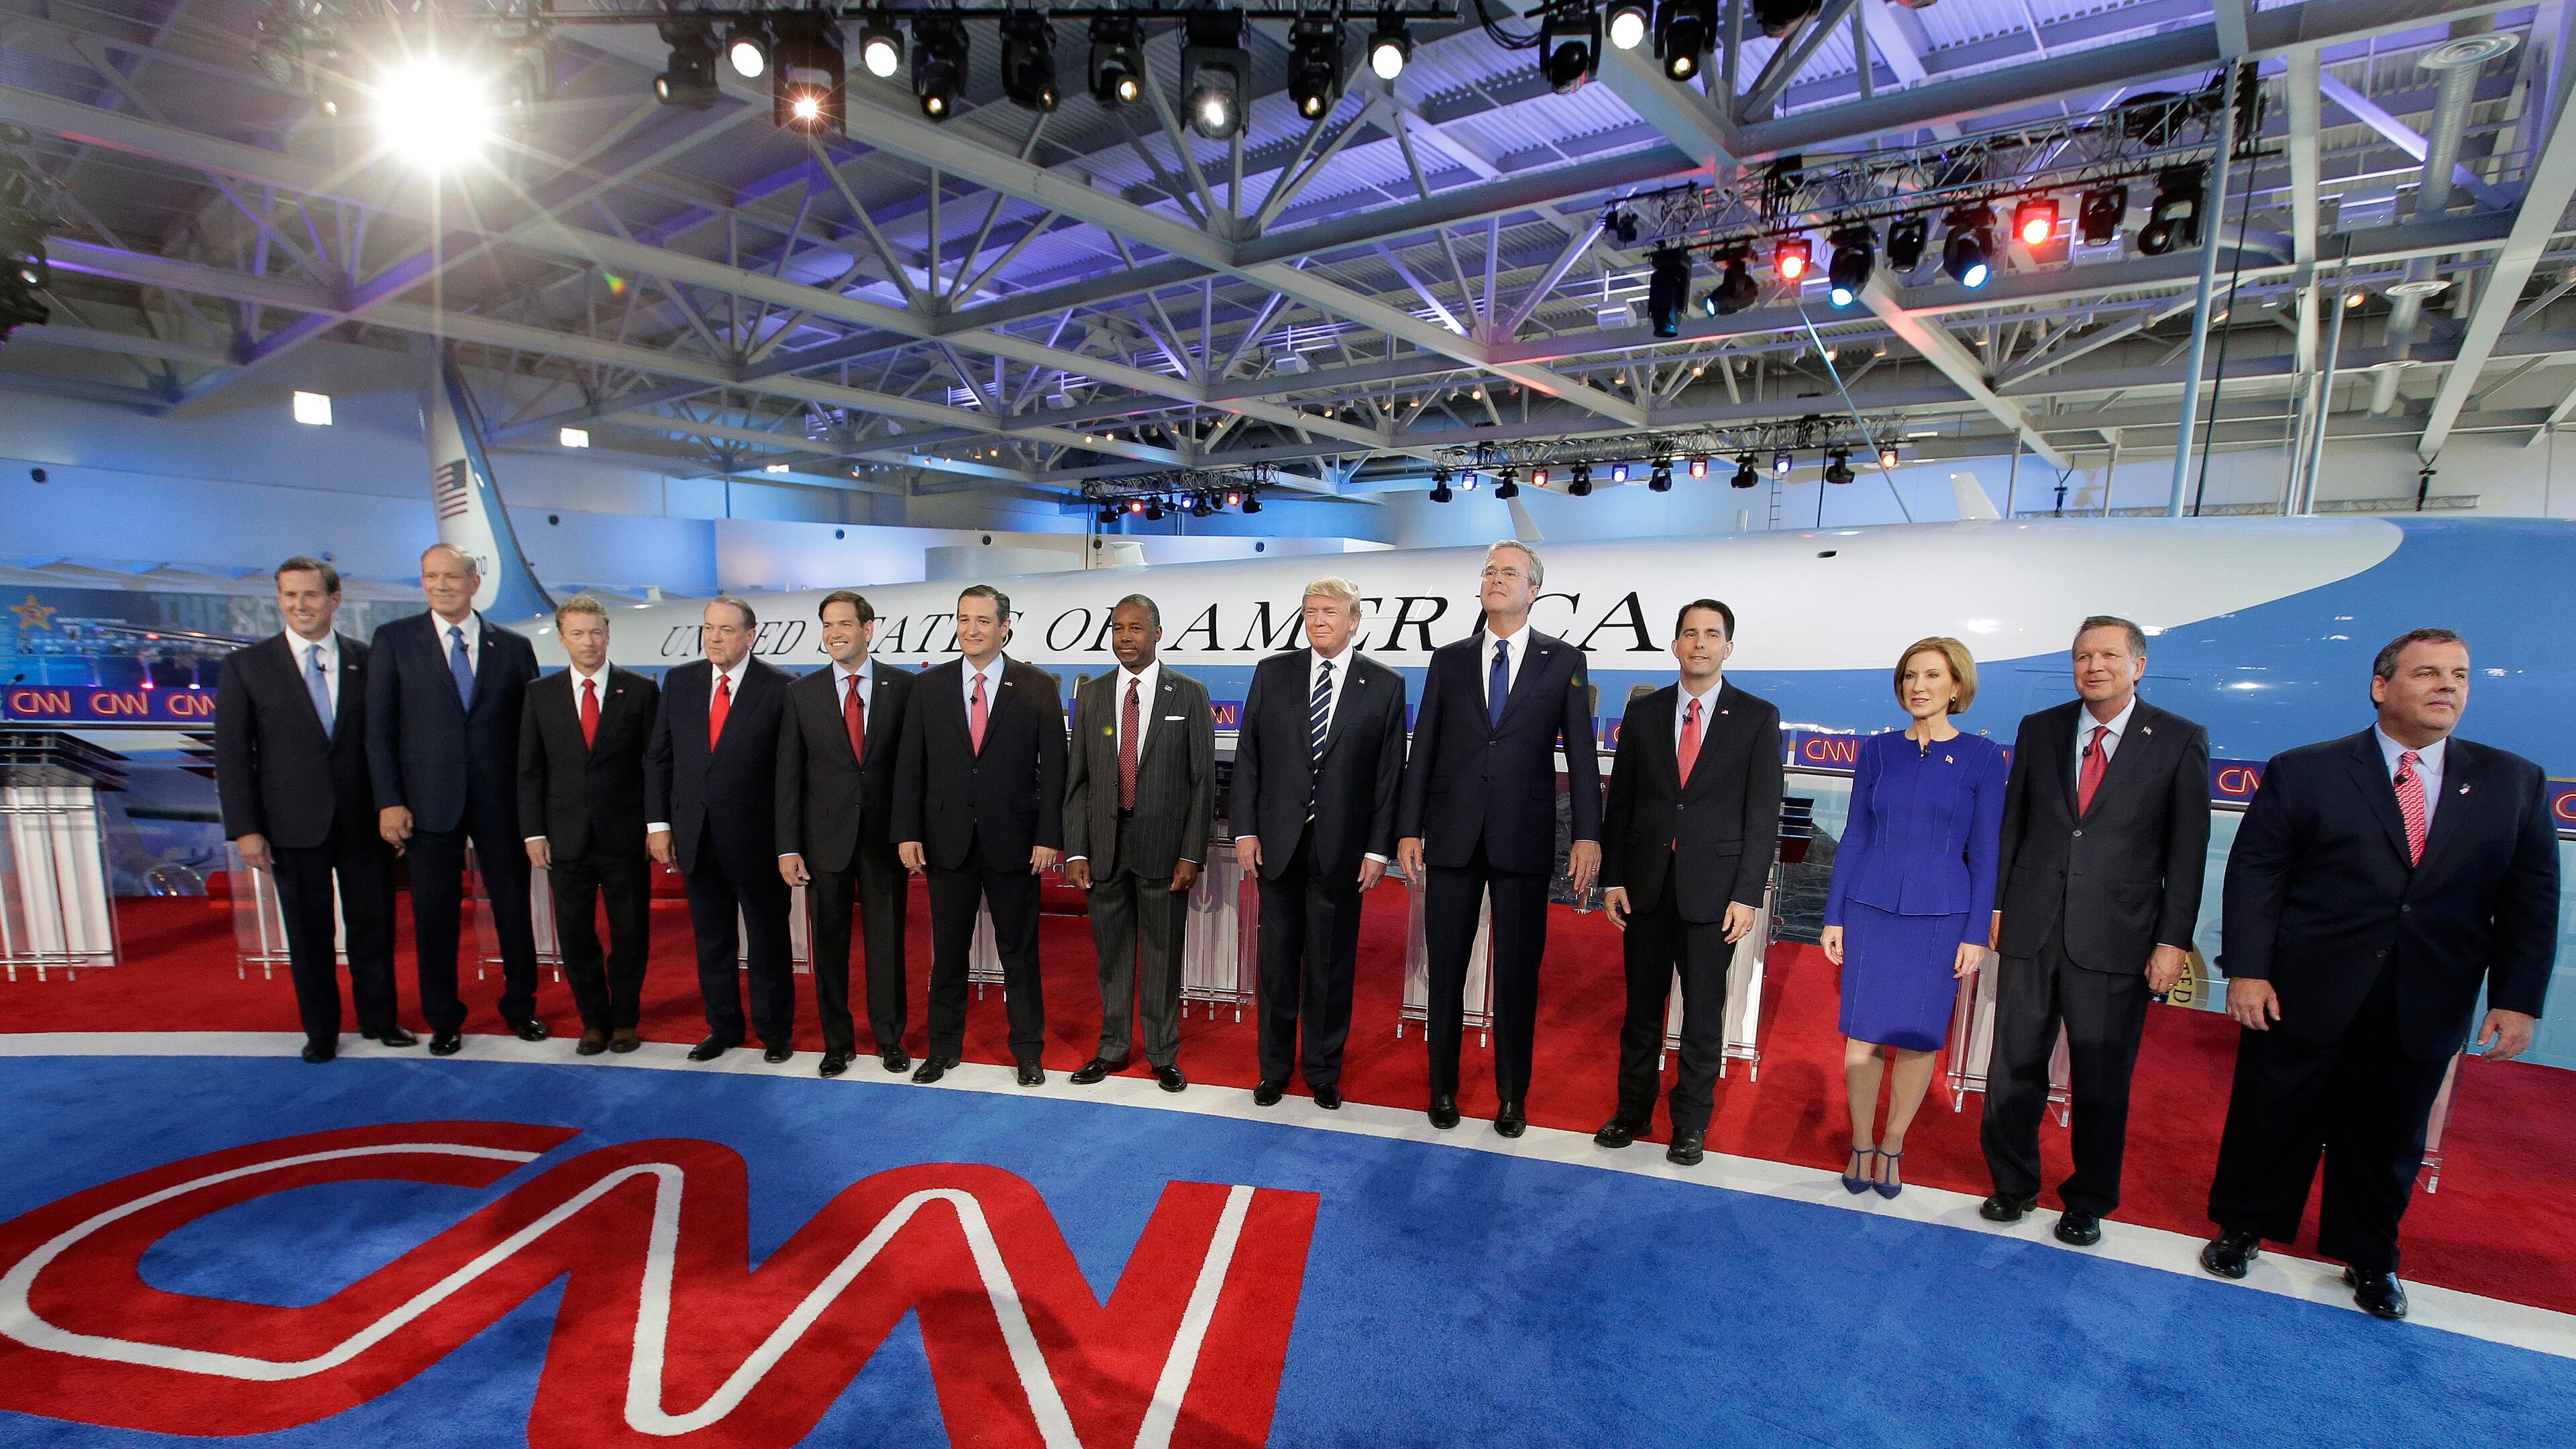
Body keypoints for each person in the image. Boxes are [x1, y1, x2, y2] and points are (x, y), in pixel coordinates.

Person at [2201, 628, 2558, 1320]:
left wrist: (2517, 998)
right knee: (2273, 1116)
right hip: (2303, 988)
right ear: (2382, 686)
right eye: (2428, 673)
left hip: (2427, 993)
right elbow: (2256, 876)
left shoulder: (2513, 782)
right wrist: (2247, 969)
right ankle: (2244, 1227)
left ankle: (2370, 1257)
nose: (2447, 686)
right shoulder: (2306, 770)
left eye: (2458, 675)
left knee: (2392, 1133)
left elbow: (2531, 900)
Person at [1980, 615, 2210, 1246]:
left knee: (2102, 1075)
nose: (2094, 666)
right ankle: (2012, 1183)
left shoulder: (2179, 739)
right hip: (2031, 927)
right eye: (2083, 656)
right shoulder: (2041, 729)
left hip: (2119, 936)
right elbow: (2014, 825)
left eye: (2109, 655)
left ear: (2139, 666)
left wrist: (2171, 940)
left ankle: (2087, 1200)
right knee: (2014, 1064)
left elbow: (2187, 853)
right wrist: (1997, 907)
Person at [1396, 540, 1603, 1136]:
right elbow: (1424, 750)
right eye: (1489, 572)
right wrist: (1410, 827)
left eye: (1509, 573)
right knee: (1447, 969)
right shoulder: (1449, 660)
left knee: (1517, 976)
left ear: (1534, 589)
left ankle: (1513, 1097)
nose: (1496, 580)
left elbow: (1583, 759)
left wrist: (1589, 835)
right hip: (1454, 837)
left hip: (1524, 838)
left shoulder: (1562, 662)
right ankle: (1442, 1090)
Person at [1597, 600, 1783, 1167]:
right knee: (1641, 1012)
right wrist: (1613, 878)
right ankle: (1632, 1113)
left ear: (1729, 647)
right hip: (1647, 888)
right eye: (1689, 634)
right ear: (1674, 645)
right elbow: (1621, 801)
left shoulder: (1756, 716)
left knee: (1703, 1014)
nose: (1700, 643)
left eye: (1712, 634)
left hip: (1716, 894)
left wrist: (1748, 893)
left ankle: (1690, 1125)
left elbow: (1762, 813)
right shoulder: (1645, 713)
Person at [1819, 639, 2006, 1197]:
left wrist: (1976, 932)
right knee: (1863, 1036)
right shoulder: (1876, 752)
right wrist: (1834, 916)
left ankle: (1893, 1142)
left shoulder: (1982, 756)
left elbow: (1987, 850)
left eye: (1931, 676)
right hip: (1870, 908)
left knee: (1921, 1039)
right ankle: (1860, 1141)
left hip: (1942, 916)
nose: (1918, 686)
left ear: (1957, 686)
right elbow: (1854, 834)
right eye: (1909, 676)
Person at [214, 556, 410, 1063]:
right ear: (280, 600)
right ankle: (321, 1030)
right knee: (309, 931)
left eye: (311, 595)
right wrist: (245, 829)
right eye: (290, 595)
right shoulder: (247, 666)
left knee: (374, 926)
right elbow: (233, 754)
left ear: (334, 600)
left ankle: (380, 1019)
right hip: (290, 824)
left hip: (364, 820)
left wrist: (394, 804)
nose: (300, 605)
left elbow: (388, 740)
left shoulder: (368, 661)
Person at [1234, 578, 1406, 1110]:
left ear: (1354, 620)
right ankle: (1274, 1070)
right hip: (1278, 844)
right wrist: (1245, 829)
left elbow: (1387, 776)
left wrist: (1379, 849)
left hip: (1344, 850)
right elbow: (1249, 759)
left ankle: (1324, 1071)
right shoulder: (1272, 673)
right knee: (1278, 965)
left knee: (1330, 967)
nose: (1318, 620)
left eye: (1330, 611)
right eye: (1310, 611)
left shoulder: (1384, 685)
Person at [366, 543, 545, 1056]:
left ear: (473, 581)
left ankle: (521, 1007)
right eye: (430, 577)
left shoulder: (511, 647)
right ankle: (443, 1017)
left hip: (501, 804)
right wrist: (389, 800)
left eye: (451, 576)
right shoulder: (394, 641)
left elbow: (528, 736)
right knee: (435, 916)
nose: (441, 585)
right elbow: (379, 730)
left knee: (513, 911)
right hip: (426, 805)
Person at [894, 584, 1067, 1087]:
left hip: (1015, 842)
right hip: (946, 840)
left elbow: (1054, 768)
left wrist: (1048, 835)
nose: (972, 629)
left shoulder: (1035, 685)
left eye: (984, 621)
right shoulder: (928, 688)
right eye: (964, 619)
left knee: (1020, 952)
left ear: (1005, 626)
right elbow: (911, 767)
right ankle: (942, 1049)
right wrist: (907, 831)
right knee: (948, 952)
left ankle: (1028, 1052)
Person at [1065, 596, 1216, 1093]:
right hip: (1105, 845)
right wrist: (1077, 849)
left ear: (1157, 633)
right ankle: (1111, 1048)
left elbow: (1202, 783)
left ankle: (1161, 1053)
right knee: (1112, 956)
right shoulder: (1093, 695)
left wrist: (1192, 853)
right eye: (1118, 628)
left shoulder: (1189, 694)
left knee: (1161, 953)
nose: (1125, 637)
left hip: (1164, 848)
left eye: (1135, 628)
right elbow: (1078, 780)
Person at [645, 596, 796, 1063]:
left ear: (750, 636)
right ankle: (723, 1027)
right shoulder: (681, 681)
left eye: (726, 630)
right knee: (712, 942)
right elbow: (660, 758)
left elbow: (788, 773)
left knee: (768, 942)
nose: (714, 637)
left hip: (756, 842)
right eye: (709, 628)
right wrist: (658, 824)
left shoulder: (780, 688)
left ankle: (774, 1031)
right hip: (694, 837)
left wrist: (788, 844)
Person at [778, 590, 916, 1078]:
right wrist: (788, 846)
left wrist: (910, 832)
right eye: (827, 625)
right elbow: (788, 776)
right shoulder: (801, 693)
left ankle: (889, 1038)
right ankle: (837, 1042)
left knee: (887, 943)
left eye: (844, 624)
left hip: (884, 841)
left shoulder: (904, 688)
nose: (835, 633)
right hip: (823, 842)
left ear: (868, 628)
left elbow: (911, 769)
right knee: (830, 945)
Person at [517, 595, 659, 1055]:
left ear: (608, 634)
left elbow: (654, 766)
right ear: (562, 640)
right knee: (577, 935)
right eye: (578, 633)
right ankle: (593, 1021)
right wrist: (534, 833)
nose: (589, 642)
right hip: (565, 839)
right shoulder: (541, 694)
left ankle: (625, 1020)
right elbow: (530, 769)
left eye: (596, 632)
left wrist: (656, 826)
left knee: (630, 934)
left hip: (625, 837)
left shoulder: (640, 691)